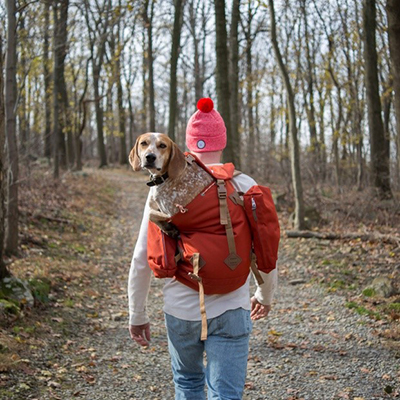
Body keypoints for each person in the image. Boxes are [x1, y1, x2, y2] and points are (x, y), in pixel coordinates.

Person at [128, 98, 278, 400]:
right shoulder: (244, 183)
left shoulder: (163, 190)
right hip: (233, 305)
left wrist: (137, 313)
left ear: (184, 146)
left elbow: (142, 258)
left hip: (181, 309)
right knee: (225, 393)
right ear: (221, 142)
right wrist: (265, 294)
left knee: (187, 382)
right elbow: (267, 246)